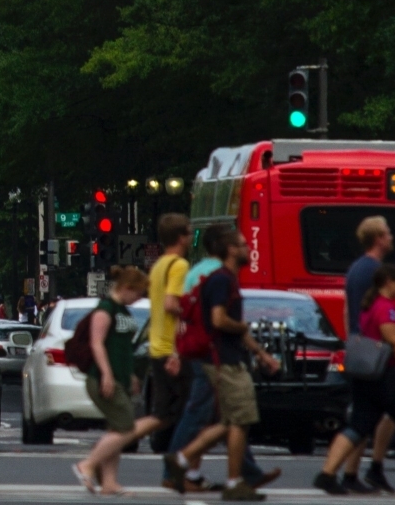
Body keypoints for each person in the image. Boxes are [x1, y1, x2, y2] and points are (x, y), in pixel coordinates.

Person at [164, 228, 281, 502]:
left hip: (222, 358)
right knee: (235, 418)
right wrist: (242, 326)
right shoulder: (220, 280)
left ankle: (182, 460)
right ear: (230, 249)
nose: (248, 248)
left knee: (229, 421)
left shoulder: (220, 278)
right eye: (242, 245)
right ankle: (232, 480)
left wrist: (261, 354)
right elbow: (218, 320)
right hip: (222, 360)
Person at [315, 263, 395, 494]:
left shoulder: (370, 306)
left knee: (359, 425)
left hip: (367, 377)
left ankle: (327, 473)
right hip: (389, 376)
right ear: (388, 282)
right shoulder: (386, 309)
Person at [328, 216, 395, 494]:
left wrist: (352, 340)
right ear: (379, 237)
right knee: (376, 414)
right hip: (377, 351)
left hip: (362, 348)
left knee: (369, 414)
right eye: (389, 233)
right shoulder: (375, 271)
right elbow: (381, 312)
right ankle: (350, 472)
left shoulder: (355, 269)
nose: (392, 237)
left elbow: (348, 309)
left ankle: (361, 471)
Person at [74, 266, 157, 494]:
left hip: (121, 377)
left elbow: (123, 348)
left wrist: (130, 375)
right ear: (127, 288)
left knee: (116, 428)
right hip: (102, 378)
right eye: (138, 292)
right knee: (127, 426)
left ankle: (109, 481)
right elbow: (97, 343)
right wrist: (107, 374)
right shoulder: (105, 309)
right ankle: (88, 465)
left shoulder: (123, 311)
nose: (140, 298)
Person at [150, 214, 193, 490]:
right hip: (171, 349)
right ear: (180, 237)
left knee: (166, 415)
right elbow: (170, 304)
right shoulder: (179, 265)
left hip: (157, 347)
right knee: (185, 413)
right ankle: (177, 471)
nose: (191, 238)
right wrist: (193, 313)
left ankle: (175, 470)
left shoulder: (158, 266)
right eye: (189, 233)